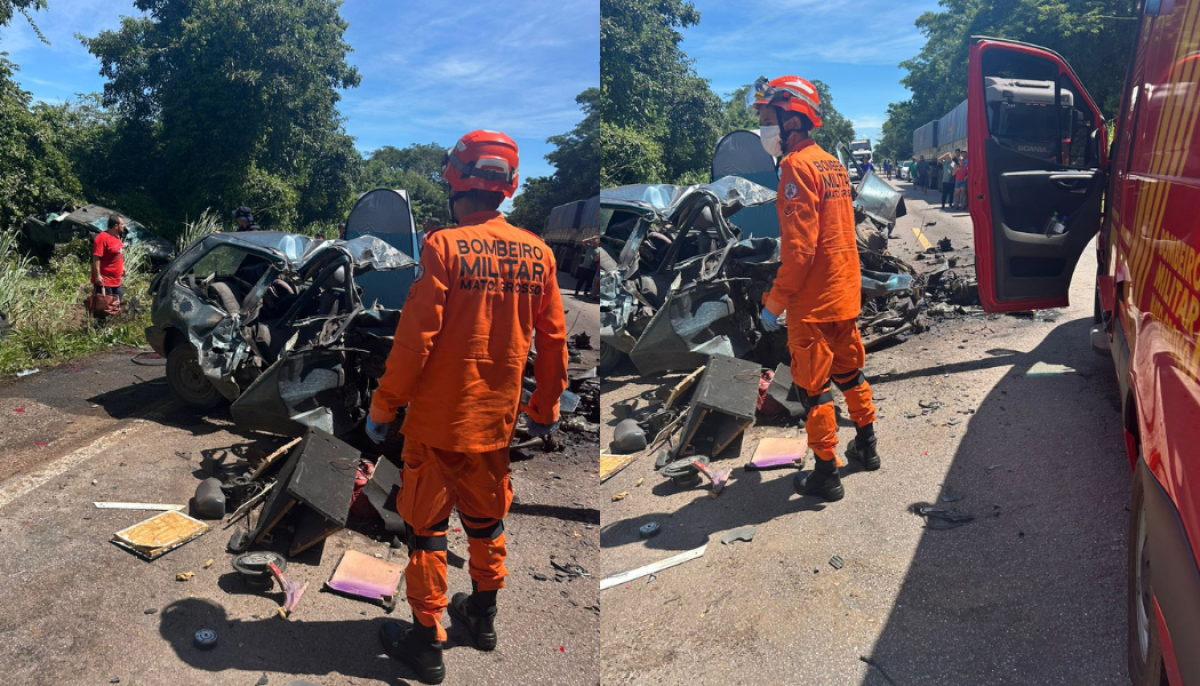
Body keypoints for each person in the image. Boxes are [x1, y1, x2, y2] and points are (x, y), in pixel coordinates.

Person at [365, 130, 568, 684]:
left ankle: (426, 642)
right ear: (508, 187)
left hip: (438, 423)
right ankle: (482, 616)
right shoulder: (540, 253)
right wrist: (545, 406)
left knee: (427, 529)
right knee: (485, 520)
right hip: (495, 422)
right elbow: (553, 341)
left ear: (455, 182)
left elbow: (414, 342)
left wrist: (384, 406)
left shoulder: (443, 247)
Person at [750, 75, 882, 503]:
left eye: (767, 119)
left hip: (813, 302)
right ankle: (867, 446)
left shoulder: (795, 166)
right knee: (851, 374)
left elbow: (800, 250)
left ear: (791, 119)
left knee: (814, 390)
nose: (764, 129)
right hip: (844, 293)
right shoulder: (832, 163)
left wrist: (775, 303)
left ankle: (826, 474)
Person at [91, 214, 126, 302]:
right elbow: (96, 258)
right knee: (105, 305)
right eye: (122, 224)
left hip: (116, 280)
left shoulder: (117, 237)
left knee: (118, 299)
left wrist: (123, 266)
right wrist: (98, 275)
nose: (124, 226)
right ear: (116, 226)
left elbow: (120, 253)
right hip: (104, 280)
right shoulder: (102, 238)